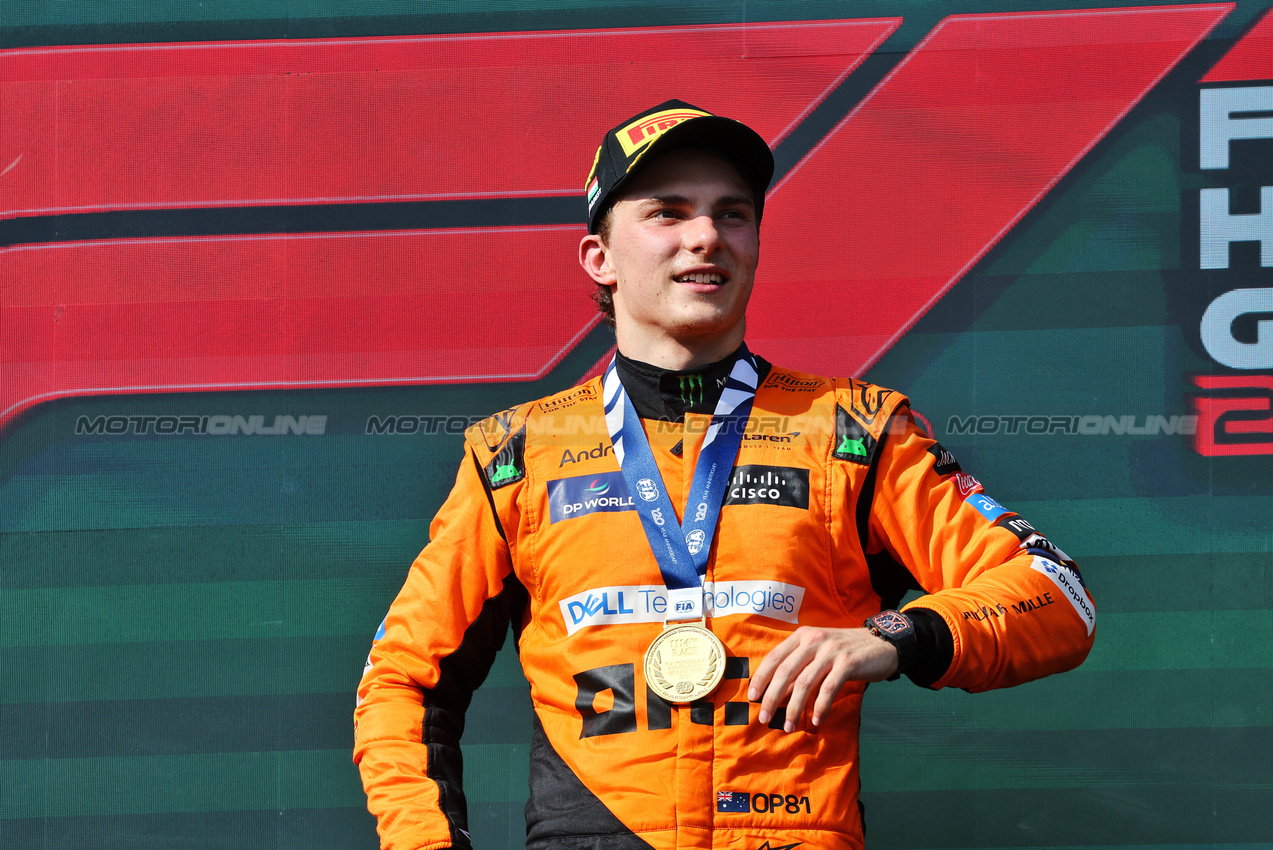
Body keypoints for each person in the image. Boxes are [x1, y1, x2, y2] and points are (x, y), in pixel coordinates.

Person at [353, 100, 1096, 850]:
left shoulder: (856, 428)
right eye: (667, 214)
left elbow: (1057, 597)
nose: (705, 236)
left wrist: (893, 636)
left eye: (731, 214)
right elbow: (401, 682)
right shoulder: (516, 453)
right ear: (599, 258)